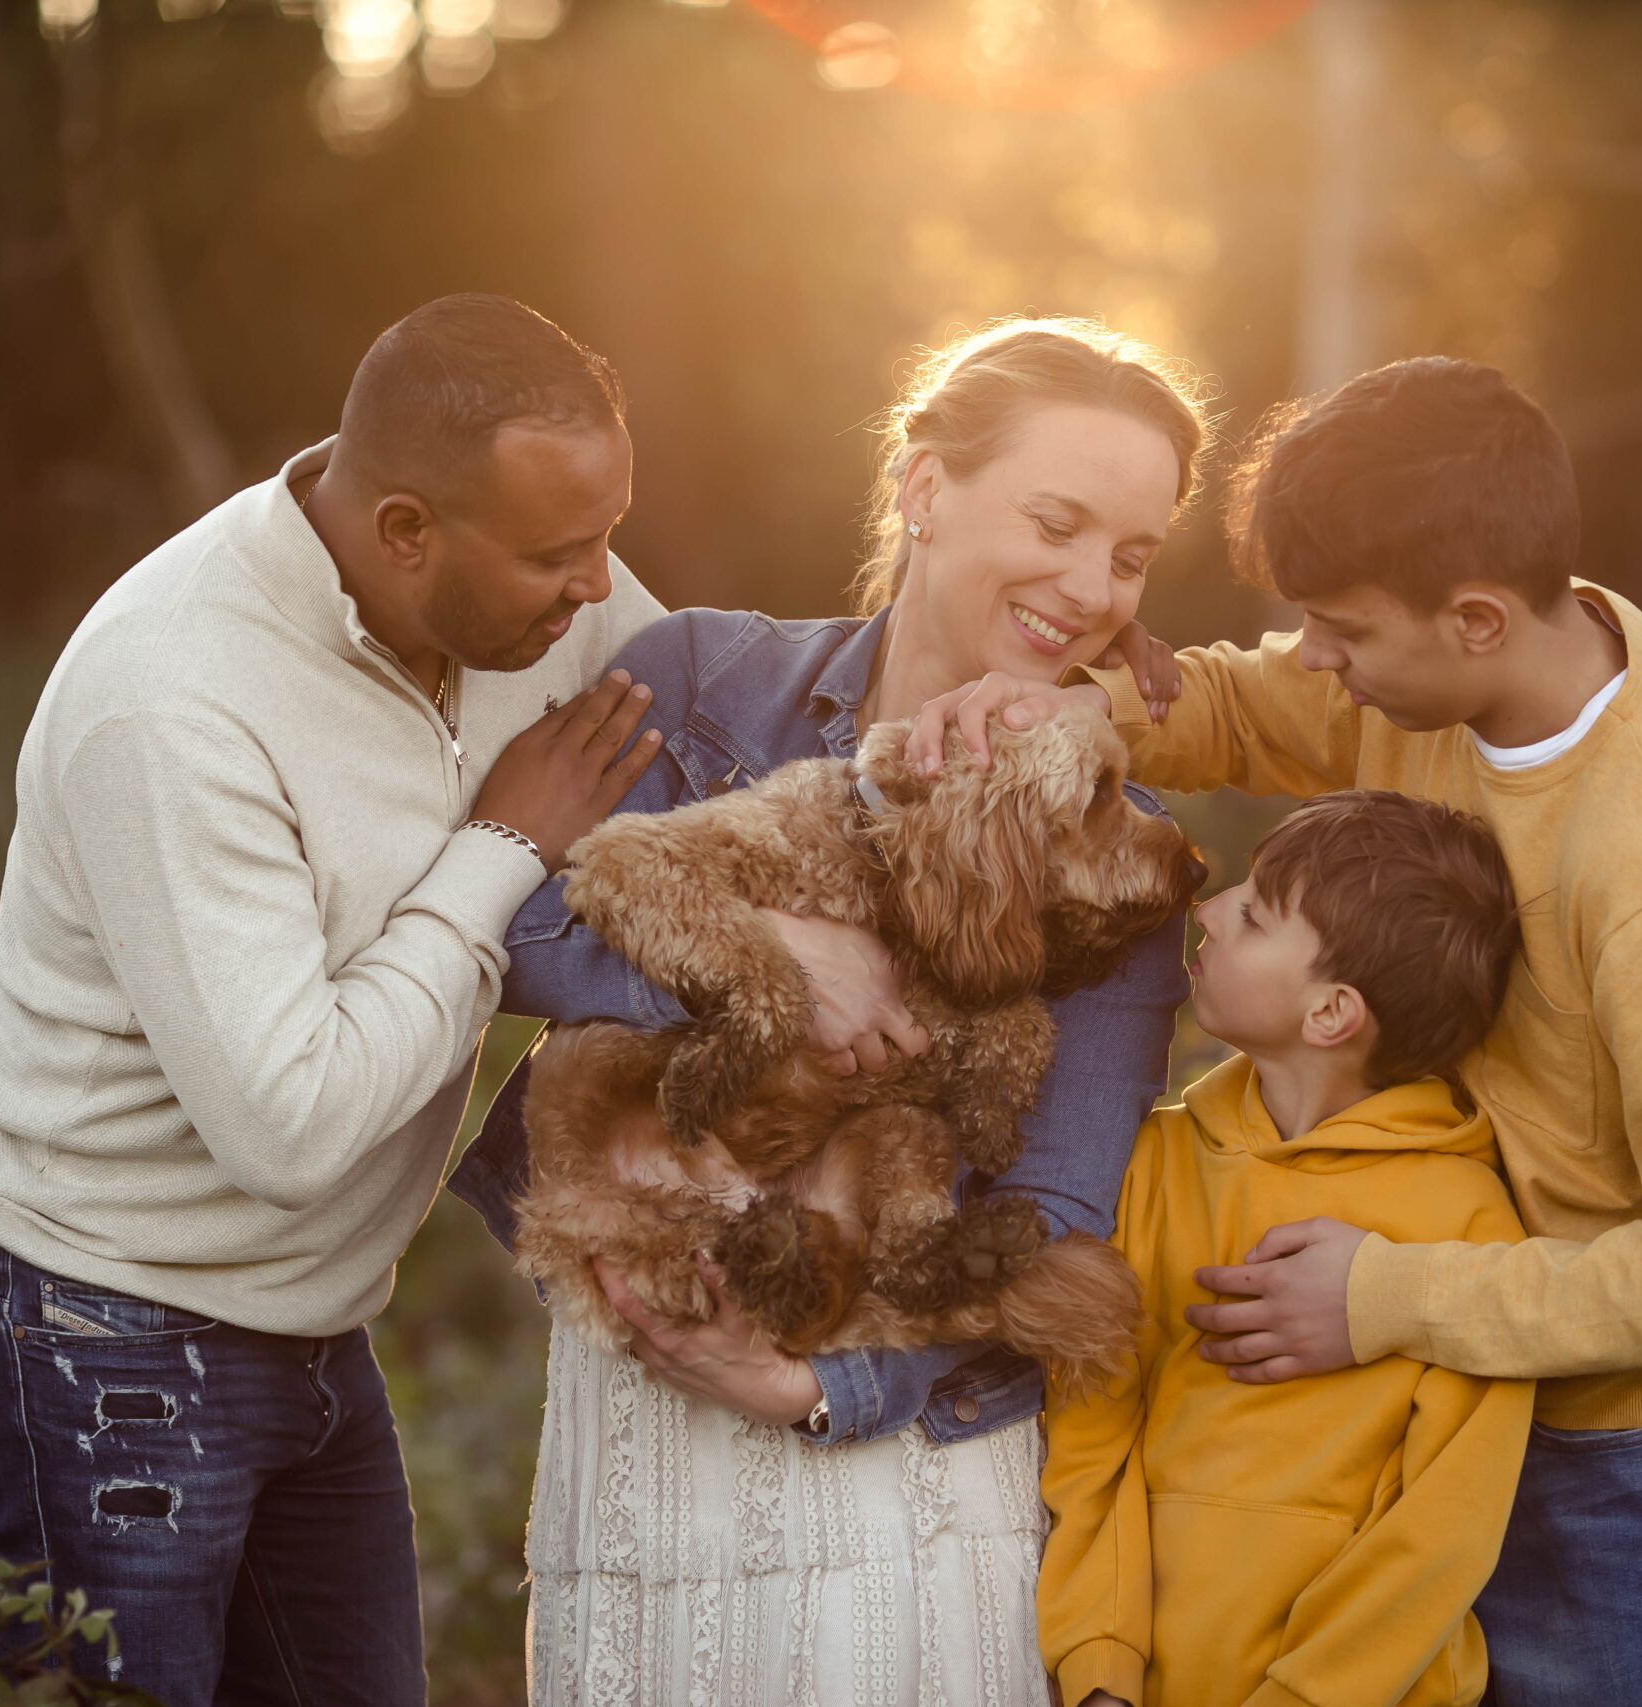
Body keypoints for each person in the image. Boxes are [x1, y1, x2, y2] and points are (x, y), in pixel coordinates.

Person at [917, 358, 1642, 1706]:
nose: (1318, 661)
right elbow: (1241, 703)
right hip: (1458, 1379)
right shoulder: (1466, 668)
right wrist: (1076, 713)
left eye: (1340, 629)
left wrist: (1388, 1292)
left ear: (1472, 618)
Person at [0, 295, 669, 1705]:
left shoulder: (550, 598)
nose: (602, 588)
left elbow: (739, 730)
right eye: (561, 552)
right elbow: (292, 1126)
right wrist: (503, 844)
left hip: (301, 1316)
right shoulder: (175, 695)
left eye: (610, 532)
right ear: (406, 531)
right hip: (80, 1307)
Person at [446, 318, 1207, 1705]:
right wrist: (778, 957)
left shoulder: (1119, 855)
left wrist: (813, 1391)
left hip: (892, 1466)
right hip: (637, 1431)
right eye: (1059, 520)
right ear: (923, 487)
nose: (1093, 585)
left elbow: (1055, 1208)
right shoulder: (702, 683)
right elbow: (507, 924)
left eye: (1133, 553)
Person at [1040, 789, 1534, 1707]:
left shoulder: (1465, 1221)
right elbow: (1092, 1432)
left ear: (1332, 1013)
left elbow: (1444, 1528)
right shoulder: (1157, 1163)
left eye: (1256, 912)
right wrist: (1100, 1663)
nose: (1208, 906)